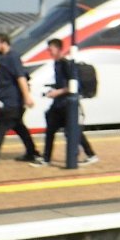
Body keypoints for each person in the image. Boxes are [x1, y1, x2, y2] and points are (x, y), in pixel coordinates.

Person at [0, 32, 41, 165]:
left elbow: (20, 77)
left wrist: (27, 97)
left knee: (0, 127)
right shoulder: (5, 57)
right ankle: (32, 152)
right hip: (10, 101)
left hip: (10, 102)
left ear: (4, 43)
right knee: (19, 126)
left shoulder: (12, 57)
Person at [38, 38, 98, 168]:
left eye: (51, 49)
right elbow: (62, 83)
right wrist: (52, 90)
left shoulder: (66, 64)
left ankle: (90, 154)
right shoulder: (56, 64)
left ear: (58, 49)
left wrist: (57, 92)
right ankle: (46, 158)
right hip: (59, 104)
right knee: (52, 130)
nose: (49, 51)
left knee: (72, 130)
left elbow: (73, 86)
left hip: (66, 104)